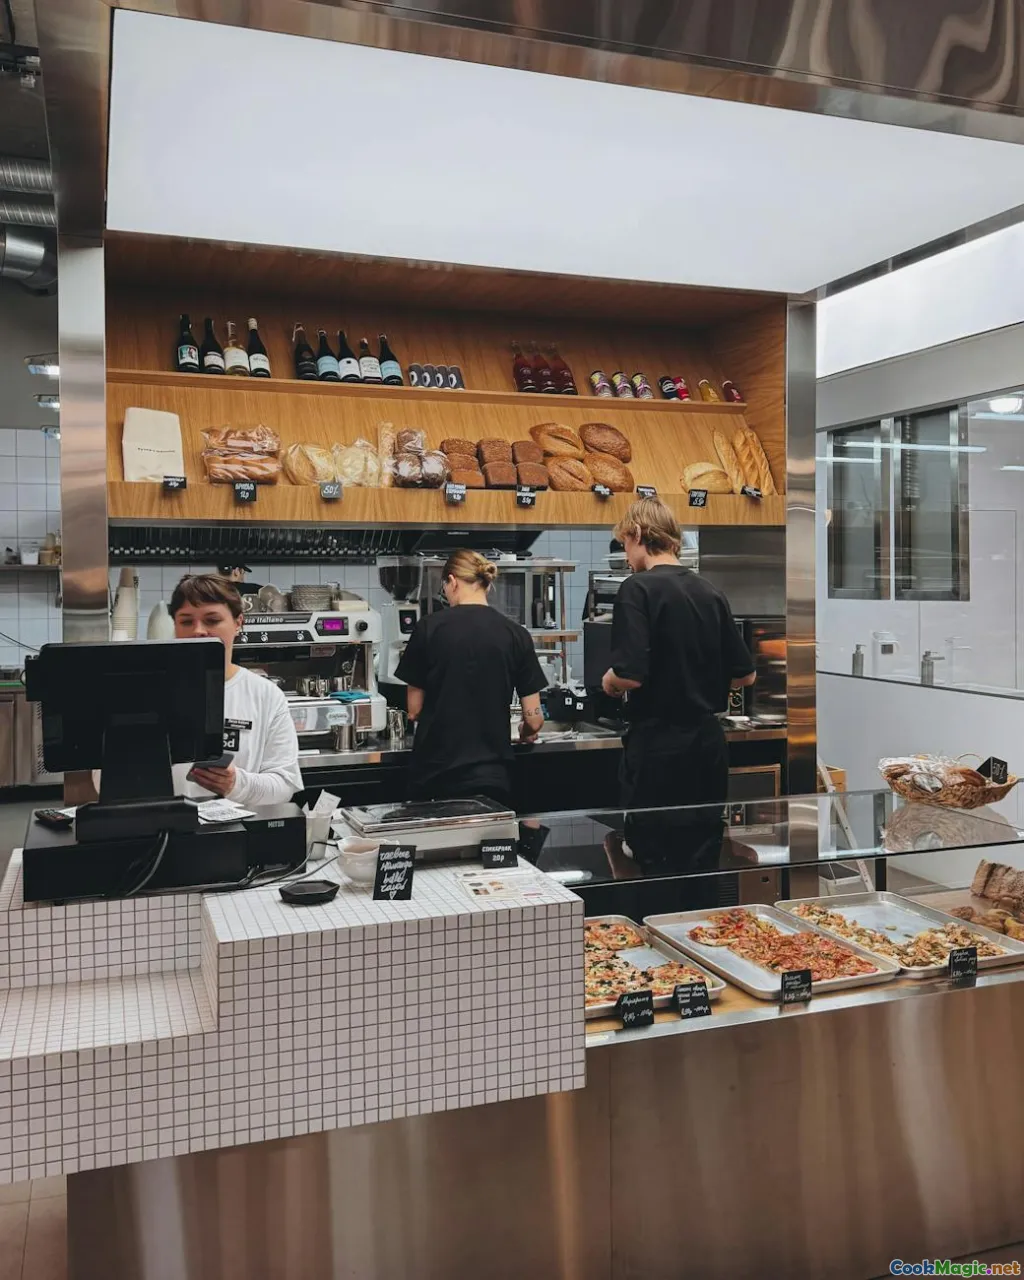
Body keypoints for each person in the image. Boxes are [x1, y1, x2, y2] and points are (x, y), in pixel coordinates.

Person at [600, 499, 755, 881]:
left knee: (652, 859)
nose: (626, 555)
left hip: (658, 747)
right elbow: (745, 675)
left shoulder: (637, 589)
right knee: (702, 858)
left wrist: (610, 682)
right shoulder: (709, 592)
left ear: (638, 535)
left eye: (624, 544)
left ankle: (654, 931)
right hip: (706, 746)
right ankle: (697, 933)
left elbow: (630, 674)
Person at [396, 549, 546, 806]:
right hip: (493, 777)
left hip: (435, 773)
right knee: (487, 845)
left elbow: (414, 709)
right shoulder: (515, 634)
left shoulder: (429, 628)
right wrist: (525, 730)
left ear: (452, 582)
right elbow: (534, 716)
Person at [169, 574, 302, 805]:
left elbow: (284, 785)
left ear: (238, 623)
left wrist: (236, 783)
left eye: (212, 620)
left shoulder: (266, 695)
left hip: (239, 834)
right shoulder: (149, 692)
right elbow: (106, 777)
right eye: (186, 621)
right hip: (165, 835)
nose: (198, 631)